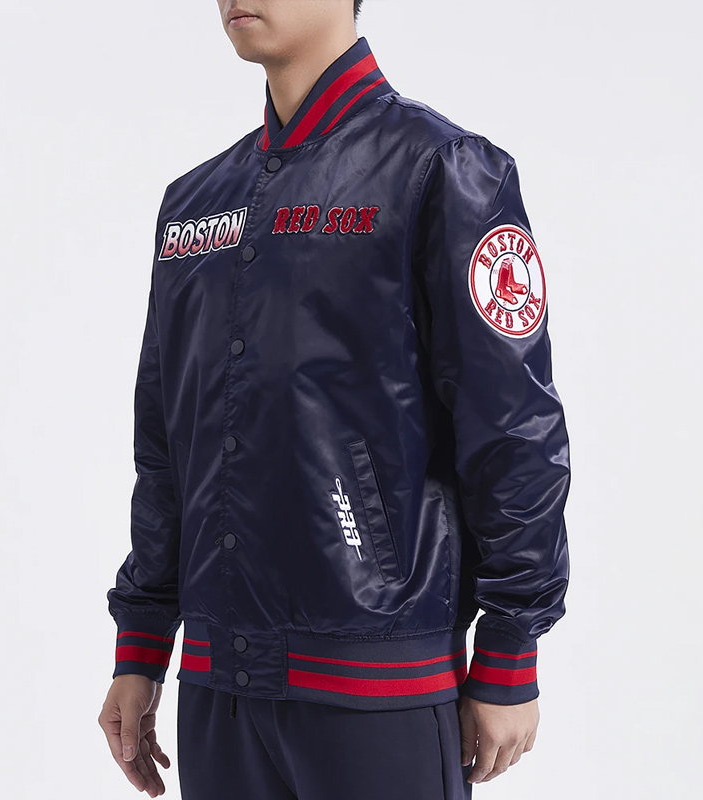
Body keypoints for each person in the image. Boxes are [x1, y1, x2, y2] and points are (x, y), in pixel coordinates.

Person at [97, 1, 571, 798]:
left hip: (377, 683)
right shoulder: (195, 205)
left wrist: (510, 648)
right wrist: (142, 644)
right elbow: (165, 439)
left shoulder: (442, 169)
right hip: (217, 687)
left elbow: (514, 426)